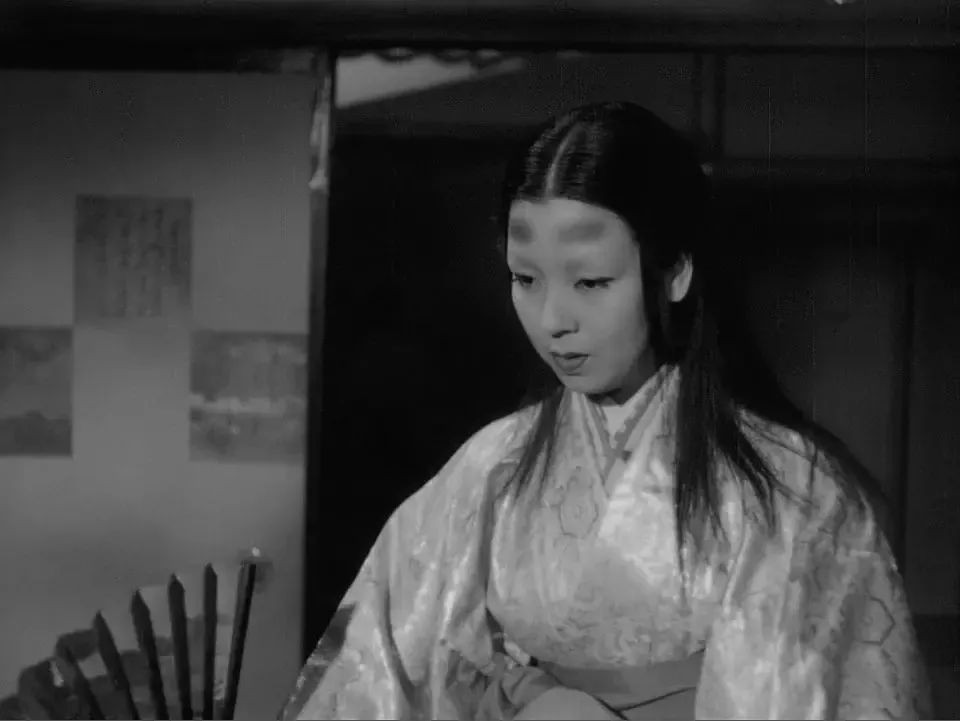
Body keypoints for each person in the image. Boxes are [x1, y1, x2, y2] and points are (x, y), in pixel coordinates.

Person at [278, 101, 930, 720]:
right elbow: (377, 664)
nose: (553, 319)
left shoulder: (789, 486)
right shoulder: (490, 467)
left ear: (674, 271)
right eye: (525, 278)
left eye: (590, 281)